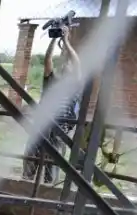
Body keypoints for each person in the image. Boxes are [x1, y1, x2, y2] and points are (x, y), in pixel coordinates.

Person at [23, 26, 82, 185]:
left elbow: (76, 63)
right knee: (30, 162)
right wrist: (54, 38)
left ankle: (47, 193)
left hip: (59, 131)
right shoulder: (51, 81)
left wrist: (66, 41)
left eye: (68, 64)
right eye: (64, 63)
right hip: (41, 127)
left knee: (52, 169)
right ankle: (26, 186)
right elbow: (48, 59)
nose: (65, 65)